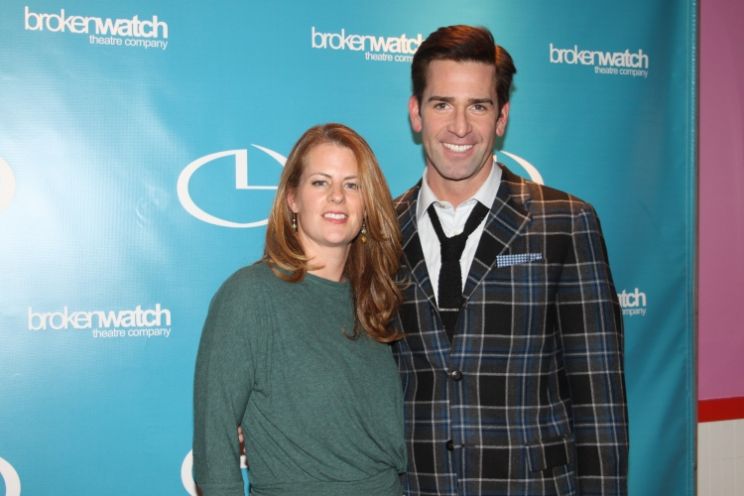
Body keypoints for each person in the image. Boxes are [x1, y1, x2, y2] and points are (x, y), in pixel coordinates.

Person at [393, 25, 628, 495]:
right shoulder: (383, 230)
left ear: (502, 117)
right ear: (416, 113)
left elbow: (599, 401)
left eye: (478, 106)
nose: (460, 127)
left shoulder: (565, 222)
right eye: (442, 105)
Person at [193, 123, 406, 496]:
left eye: (352, 185)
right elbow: (215, 445)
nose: (337, 197)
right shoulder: (249, 295)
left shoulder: (376, 299)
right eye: (320, 182)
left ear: (367, 203)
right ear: (292, 198)